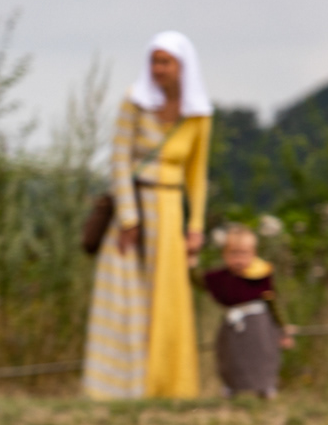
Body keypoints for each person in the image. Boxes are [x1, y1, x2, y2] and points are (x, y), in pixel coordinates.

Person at [81, 31, 213, 400]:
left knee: (168, 302)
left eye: (165, 61)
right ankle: (118, 388)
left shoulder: (198, 114)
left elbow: (197, 174)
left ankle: (169, 386)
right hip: (134, 210)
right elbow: (119, 160)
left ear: (181, 66)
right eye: (154, 61)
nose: (158, 69)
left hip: (169, 213)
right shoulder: (134, 101)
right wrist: (129, 218)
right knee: (126, 299)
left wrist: (196, 225)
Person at [199, 224, 294, 398]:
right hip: (233, 323)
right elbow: (199, 281)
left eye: (243, 253)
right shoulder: (219, 277)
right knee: (231, 355)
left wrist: (283, 329)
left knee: (263, 354)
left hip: (259, 325)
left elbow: (273, 304)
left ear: (253, 253)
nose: (238, 258)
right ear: (225, 254)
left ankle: (266, 387)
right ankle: (231, 387)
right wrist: (191, 260)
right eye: (233, 253)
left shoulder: (261, 275)